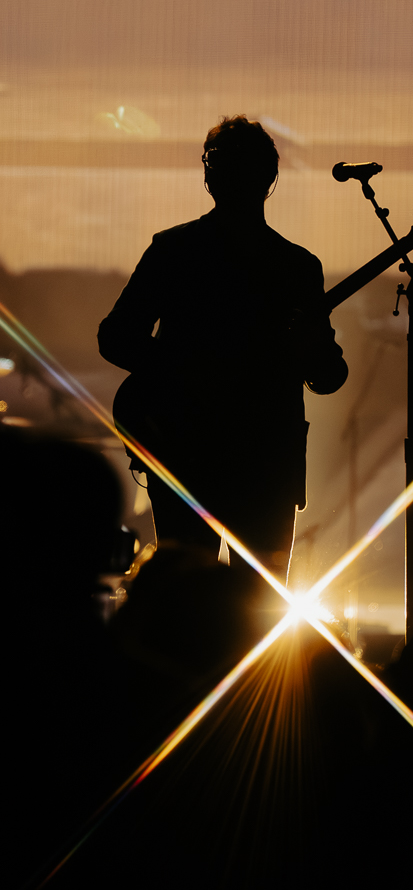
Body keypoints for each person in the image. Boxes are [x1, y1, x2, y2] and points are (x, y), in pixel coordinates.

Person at [98, 116, 348, 579]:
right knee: (261, 605)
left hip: (189, 452)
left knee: (182, 601)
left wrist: (178, 374)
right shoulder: (296, 266)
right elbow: (330, 376)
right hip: (262, 460)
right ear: (270, 179)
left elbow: (116, 337)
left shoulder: (173, 250)